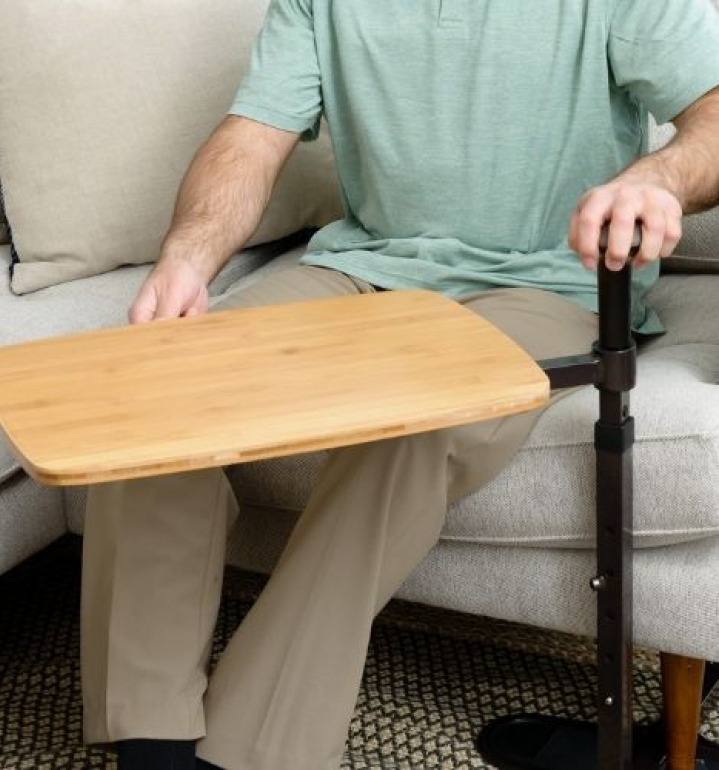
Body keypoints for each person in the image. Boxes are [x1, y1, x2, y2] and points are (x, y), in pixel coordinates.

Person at [81, 1, 719, 768]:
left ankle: (248, 754)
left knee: (411, 425)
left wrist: (659, 177)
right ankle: (150, 745)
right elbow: (251, 136)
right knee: (154, 392)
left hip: (545, 287)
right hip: (362, 269)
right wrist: (186, 257)